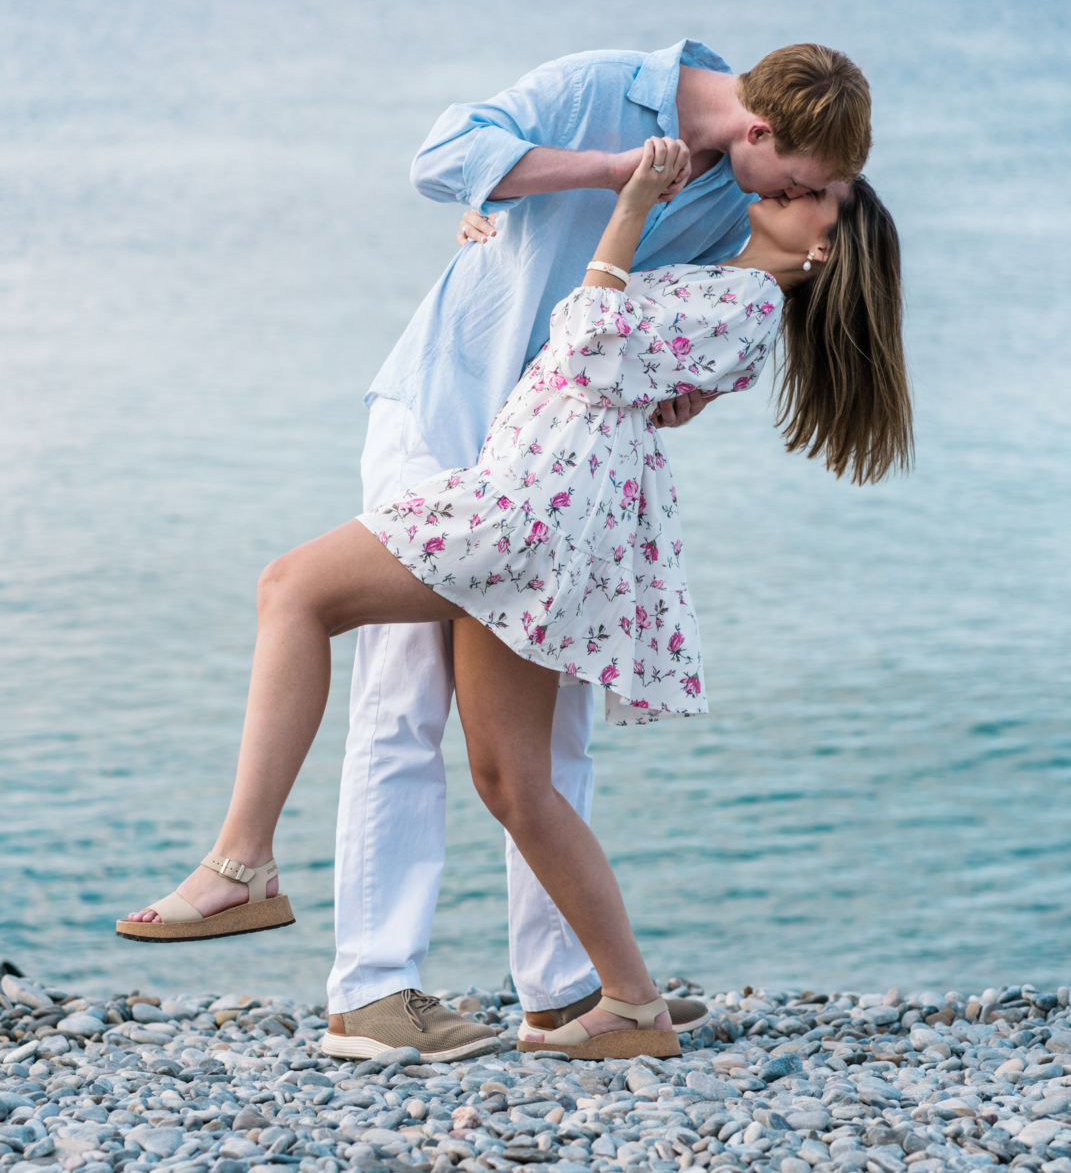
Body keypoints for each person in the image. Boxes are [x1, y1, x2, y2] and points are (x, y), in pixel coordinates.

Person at [118, 135, 912, 1065]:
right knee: (512, 780)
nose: (793, 185)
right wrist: (498, 231)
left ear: (821, 247)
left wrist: (626, 207)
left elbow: (583, 340)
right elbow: (586, 319)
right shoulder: (716, 281)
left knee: (292, 591)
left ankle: (241, 863)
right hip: (544, 508)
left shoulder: (742, 303)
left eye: (819, 194)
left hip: (527, 511)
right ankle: (627, 1004)